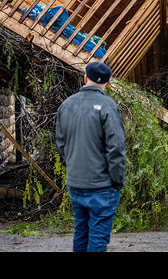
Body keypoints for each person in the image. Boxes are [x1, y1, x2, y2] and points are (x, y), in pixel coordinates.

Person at [55, 61, 125, 252]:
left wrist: (73, 164)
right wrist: (117, 180)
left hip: (76, 182)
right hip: (102, 185)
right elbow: (116, 148)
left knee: (81, 232)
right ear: (109, 82)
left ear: (85, 78)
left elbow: (61, 143)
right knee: (98, 238)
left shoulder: (67, 105)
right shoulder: (108, 107)